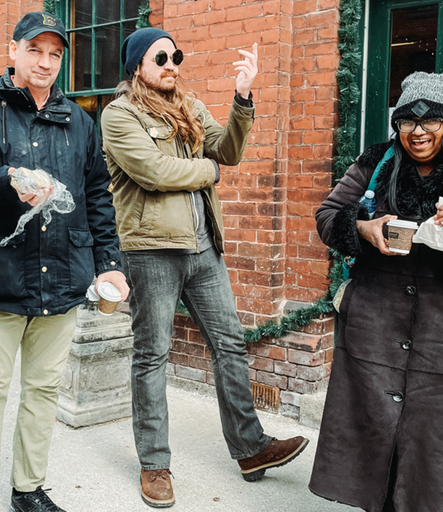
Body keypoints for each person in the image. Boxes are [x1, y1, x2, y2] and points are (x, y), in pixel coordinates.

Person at [101, 28, 309, 509]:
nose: (172, 64)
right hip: (152, 250)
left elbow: (228, 149)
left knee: (230, 344)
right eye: (160, 57)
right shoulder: (119, 114)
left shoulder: (190, 107)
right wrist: (209, 171)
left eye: (176, 56)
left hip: (203, 249)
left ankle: (251, 448)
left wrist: (242, 98)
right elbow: (154, 172)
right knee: (152, 355)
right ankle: (154, 465)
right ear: (138, 66)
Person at [0, 11, 128, 512]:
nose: (45, 62)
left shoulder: (80, 122)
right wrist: (7, 181)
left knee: (43, 391)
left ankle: (29, 491)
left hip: (62, 278)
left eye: (55, 54)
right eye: (35, 50)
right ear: (13, 51)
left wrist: (109, 261)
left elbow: (97, 196)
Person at [310, 72, 443, 511]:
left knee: (435, 456)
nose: (418, 132)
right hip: (374, 328)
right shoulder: (375, 165)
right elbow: (328, 215)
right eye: (407, 122)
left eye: (431, 122)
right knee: (372, 447)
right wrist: (362, 228)